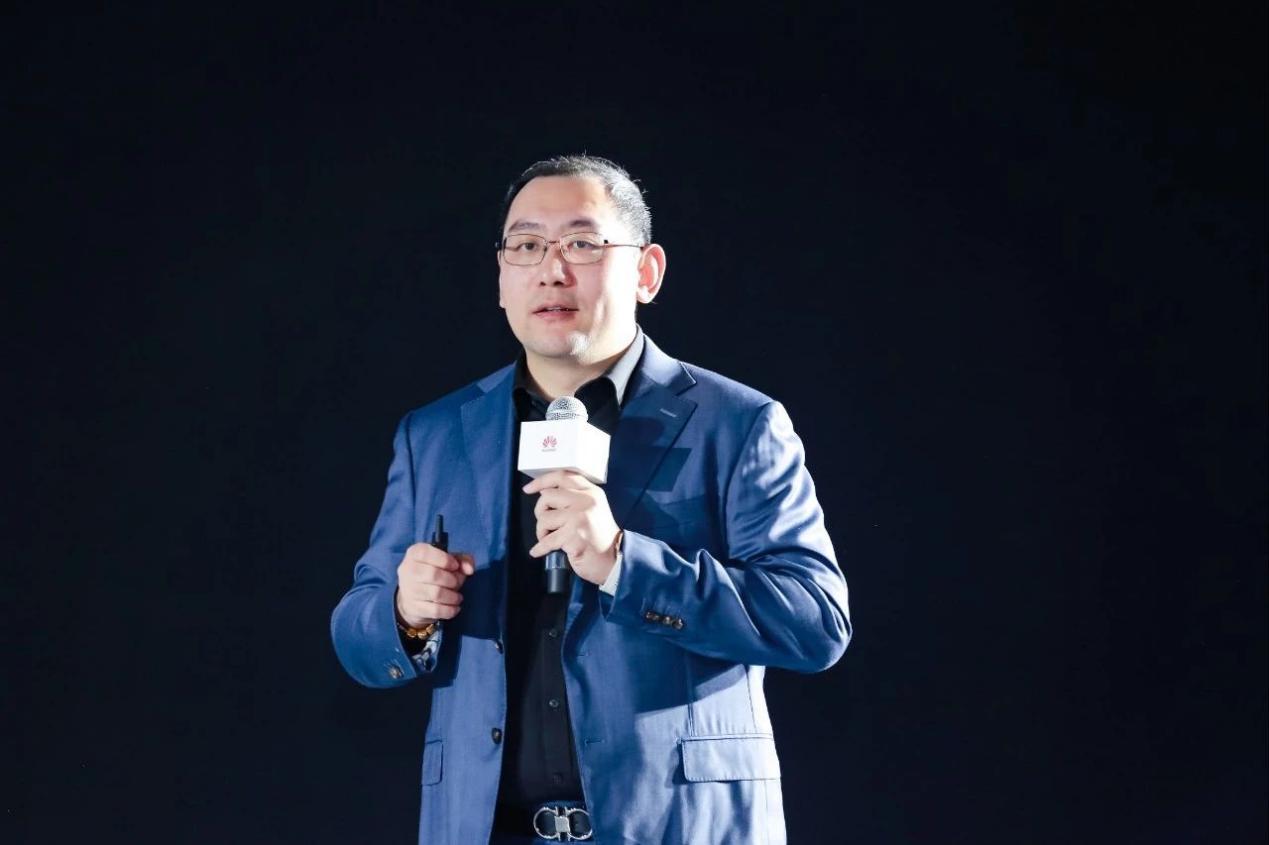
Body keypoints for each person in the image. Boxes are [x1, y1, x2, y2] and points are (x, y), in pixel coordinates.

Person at [331, 155, 851, 844]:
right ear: (501, 277)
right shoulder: (435, 434)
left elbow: (814, 622)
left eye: (582, 243)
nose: (551, 270)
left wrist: (622, 562)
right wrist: (405, 613)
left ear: (646, 272)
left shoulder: (738, 424)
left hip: (676, 828)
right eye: (526, 246)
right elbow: (357, 637)